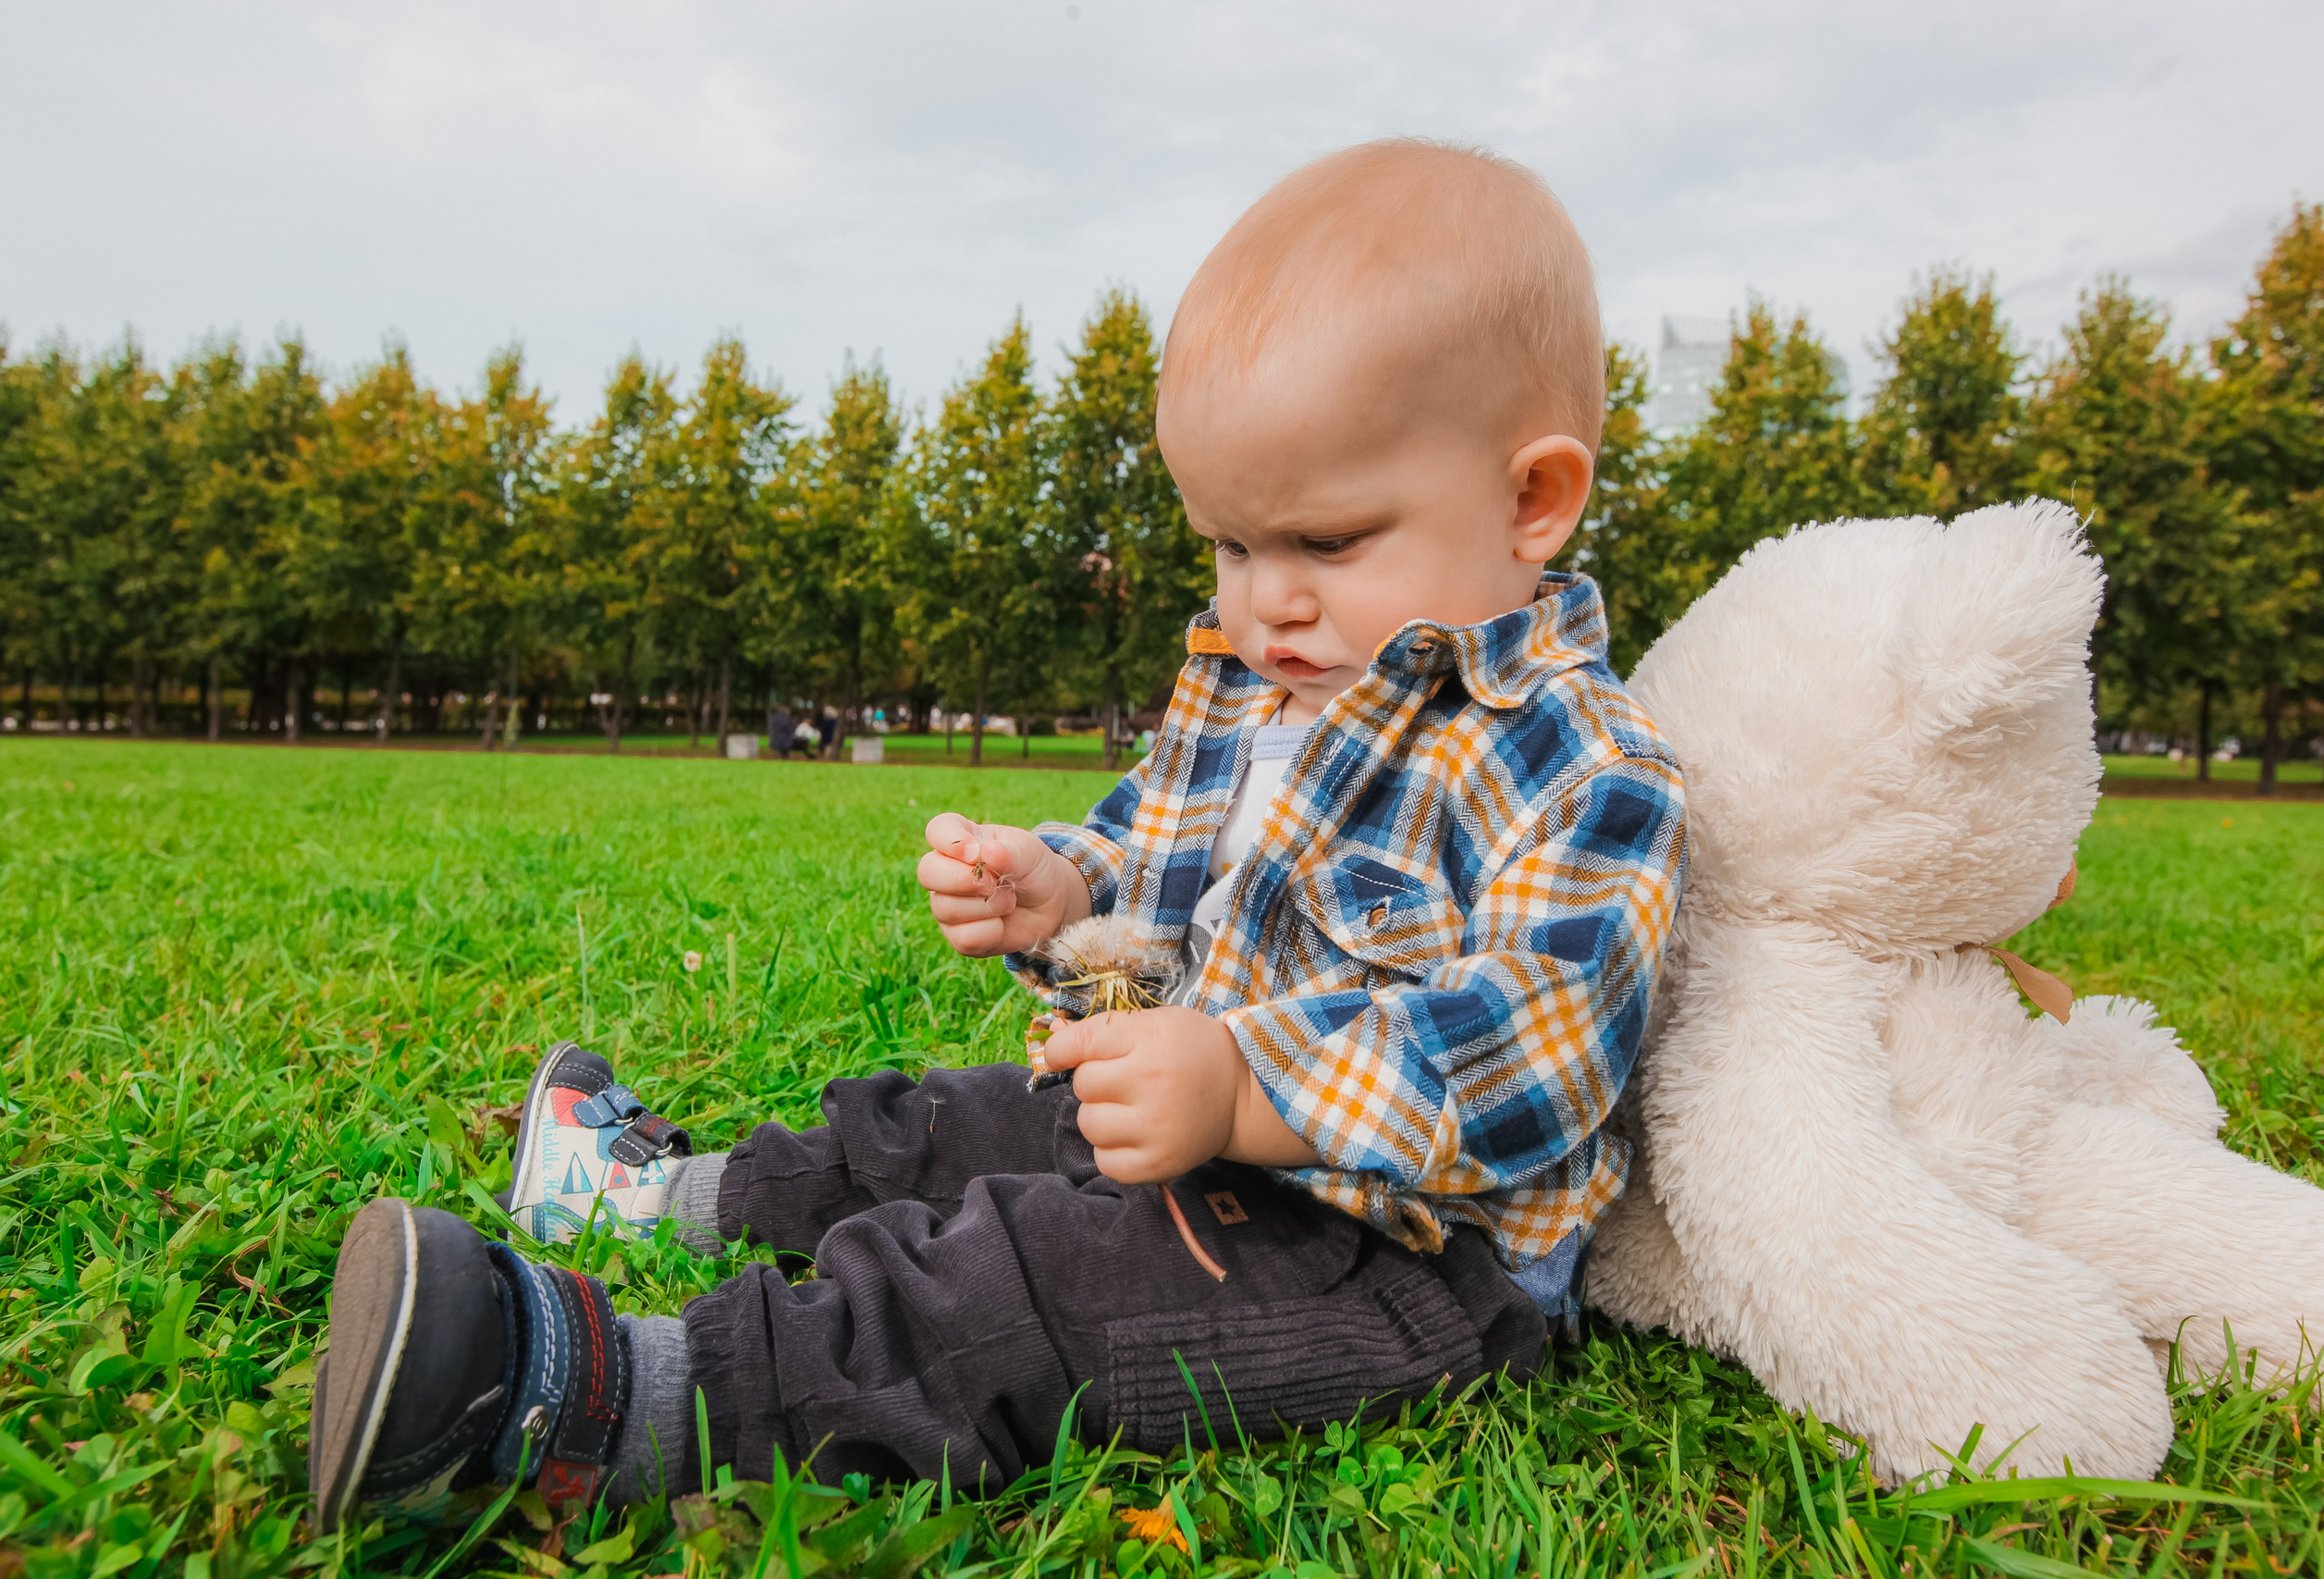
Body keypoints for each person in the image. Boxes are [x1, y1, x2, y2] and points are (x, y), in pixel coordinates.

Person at [307, 138, 1687, 1532]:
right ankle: (657, 1191)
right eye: (1226, 543)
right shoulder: (1270, 686)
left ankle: (596, 1404)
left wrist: (1237, 1092)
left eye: (1325, 543)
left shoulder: (1577, 762)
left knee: (1030, 1281)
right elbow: (1144, 844)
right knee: (956, 1120)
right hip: (1194, 1125)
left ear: (1533, 499)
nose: (1264, 603)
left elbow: (1534, 1055)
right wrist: (1059, 886)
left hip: (1400, 1252)